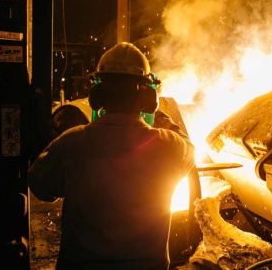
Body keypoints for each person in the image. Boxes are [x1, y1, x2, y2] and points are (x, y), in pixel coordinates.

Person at [28, 42, 195, 270]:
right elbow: (187, 148)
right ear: (148, 98)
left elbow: (41, 186)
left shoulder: (72, 143)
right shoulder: (169, 146)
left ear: (98, 95)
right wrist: (160, 117)